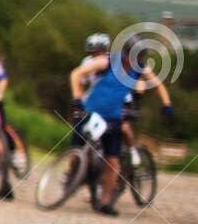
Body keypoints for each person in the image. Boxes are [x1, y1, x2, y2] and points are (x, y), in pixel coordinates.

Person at [70, 41, 173, 215]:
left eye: (137, 58)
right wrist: (77, 98)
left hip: (114, 116)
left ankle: (106, 202)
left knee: (113, 160)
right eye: (130, 56)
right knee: (76, 149)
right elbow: (76, 73)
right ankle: (76, 175)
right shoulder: (106, 61)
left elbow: (158, 84)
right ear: (125, 53)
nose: (131, 61)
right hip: (91, 111)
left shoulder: (139, 69)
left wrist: (167, 104)